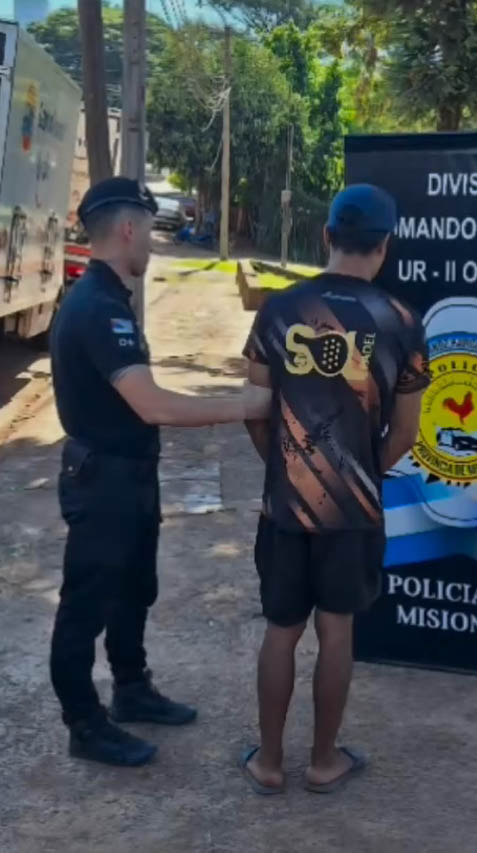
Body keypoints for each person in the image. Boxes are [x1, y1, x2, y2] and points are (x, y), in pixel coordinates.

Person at [49, 177, 271, 768]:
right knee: (85, 605)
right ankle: (84, 724)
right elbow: (152, 405)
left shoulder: (105, 298)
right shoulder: (99, 308)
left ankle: (131, 688)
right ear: (128, 229)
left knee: (132, 589)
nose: (152, 240)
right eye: (148, 229)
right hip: (104, 482)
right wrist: (246, 405)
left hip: (126, 476)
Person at [241, 183, 431, 794]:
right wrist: (361, 473)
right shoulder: (403, 322)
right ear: (385, 246)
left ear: (326, 235)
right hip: (353, 512)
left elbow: (254, 410)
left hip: (285, 507)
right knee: (337, 630)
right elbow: (408, 432)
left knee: (281, 629)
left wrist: (285, 468)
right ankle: (324, 762)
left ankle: (269, 763)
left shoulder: (278, 309)